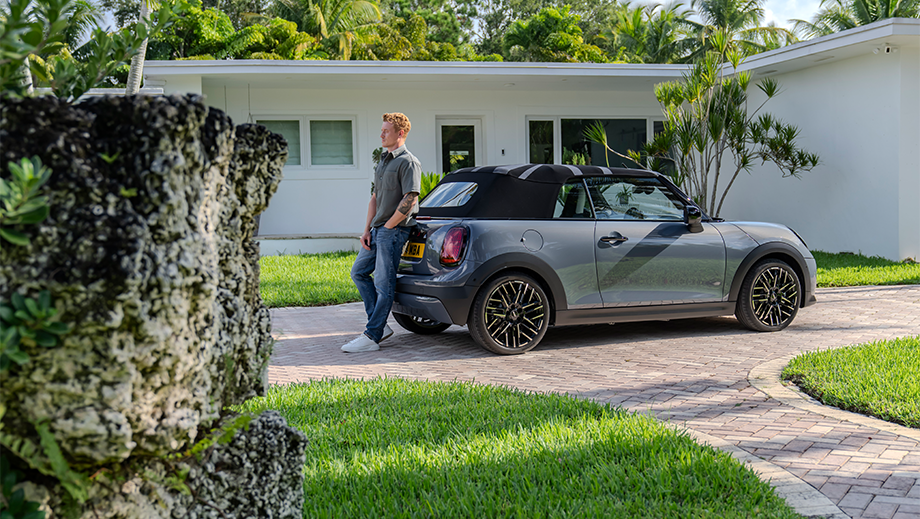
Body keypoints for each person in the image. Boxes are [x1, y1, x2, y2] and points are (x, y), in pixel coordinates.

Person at [341, 113, 422, 353]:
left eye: (386, 131)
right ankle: (379, 326)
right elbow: (375, 198)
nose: (381, 134)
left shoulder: (408, 162)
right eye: (381, 130)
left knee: (383, 284)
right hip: (377, 230)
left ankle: (372, 336)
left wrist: (389, 226)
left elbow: (411, 197)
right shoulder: (384, 160)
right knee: (358, 273)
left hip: (393, 231)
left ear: (400, 133)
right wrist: (367, 229)